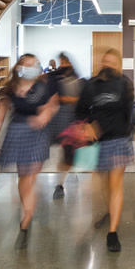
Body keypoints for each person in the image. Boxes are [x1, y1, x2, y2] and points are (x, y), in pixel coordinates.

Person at [0, 54, 59, 249]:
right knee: (24, 177)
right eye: (28, 65)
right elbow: (0, 116)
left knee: (31, 176)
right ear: (20, 68)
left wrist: (45, 114)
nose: (33, 67)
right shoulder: (10, 89)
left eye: (35, 64)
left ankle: (27, 216)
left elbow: (51, 106)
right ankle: (27, 210)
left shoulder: (42, 87)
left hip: (37, 134)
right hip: (18, 133)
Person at [76, 48, 134, 252]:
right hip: (98, 143)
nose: (108, 65)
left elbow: (129, 114)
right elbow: (80, 111)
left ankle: (112, 233)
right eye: (105, 61)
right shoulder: (91, 85)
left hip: (119, 139)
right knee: (103, 184)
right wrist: (87, 125)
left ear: (118, 65)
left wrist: (130, 133)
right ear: (102, 63)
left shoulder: (125, 84)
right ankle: (110, 211)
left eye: (112, 62)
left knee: (115, 185)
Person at [49, 53, 86, 199]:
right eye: (61, 62)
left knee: (68, 152)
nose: (63, 65)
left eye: (65, 62)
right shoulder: (55, 79)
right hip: (57, 119)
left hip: (71, 120)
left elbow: (81, 100)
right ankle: (61, 181)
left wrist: (67, 99)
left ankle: (60, 183)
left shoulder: (79, 80)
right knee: (61, 152)